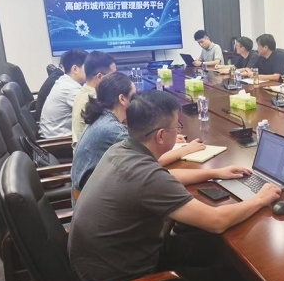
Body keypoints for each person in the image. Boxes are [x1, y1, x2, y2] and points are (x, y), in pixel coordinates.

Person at [68, 90, 281, 281]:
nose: (179, 131)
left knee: (205, 245)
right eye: (176, 127)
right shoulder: (146, 176)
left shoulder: (121, 149)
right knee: (230, 280)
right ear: (161, 135)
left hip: (98, 266)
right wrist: (260, 199)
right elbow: (217, 221)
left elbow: (166, 176)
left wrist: (216, 173)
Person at [71, 72, 206, 202]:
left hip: (91, 195)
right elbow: (150, 160)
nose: (137, 101)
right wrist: (186, 149)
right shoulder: (113, 130)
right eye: (133, 96)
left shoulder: (104, 117)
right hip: (94, 200)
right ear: (122, 99)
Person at [39, 49, 88, 138]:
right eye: (88, 67)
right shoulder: (70, 89)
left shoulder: (64, 81)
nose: (91, 70)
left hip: (53, 136)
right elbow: (92, 113)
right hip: (59, 141)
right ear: (75, 69)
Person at [71, 51, 117, 146]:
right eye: (113, 76)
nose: (116, 80)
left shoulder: (82, 92)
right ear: (100, 77)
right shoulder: (95, 99)